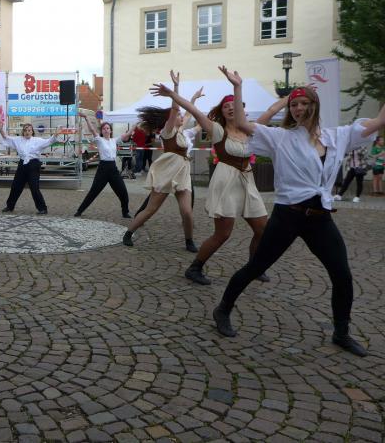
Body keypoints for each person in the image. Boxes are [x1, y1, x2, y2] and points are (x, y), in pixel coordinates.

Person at [212, 66, 385, 357]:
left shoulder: (337, 136)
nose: (299, 108)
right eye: (294, 104)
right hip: (288, 216)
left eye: (304, 103)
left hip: (320, 219)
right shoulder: (281, 137)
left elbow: (378, 121)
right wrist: (237, 87)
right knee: (256, 267)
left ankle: (341, 332)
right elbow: (241, 123)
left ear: (315, 105)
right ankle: (223, 309)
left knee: (342, 275)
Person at [148, 83, 288, 285]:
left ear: (241, 109)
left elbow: (272, 110)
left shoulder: (251, 129)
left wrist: (291, 96)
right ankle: (194, 268)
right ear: (222, 112)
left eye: (233, 105)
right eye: (226, 106)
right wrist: (172, 94)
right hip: (226, 182)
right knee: (223, 233)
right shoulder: (217, 130)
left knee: (262, 230)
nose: (230, 108)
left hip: (247, 182)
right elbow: (193, 110)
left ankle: (255, 267)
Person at [122, 71, 198, 253]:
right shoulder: (168, 131)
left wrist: (194, 98)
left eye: (181, 115)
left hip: (182, 175)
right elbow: (175, 109)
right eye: (178, 115)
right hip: (167, 173)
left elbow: (188, 113)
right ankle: (129, 233)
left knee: (187, 211)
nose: (181, 116)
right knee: (151, 209)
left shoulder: (181, 131)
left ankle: (189, 240)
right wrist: (176, 88)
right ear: (170, 119)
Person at [74, 113, 132, 219]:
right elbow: (92, 130)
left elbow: (127, 134)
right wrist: (86, 117)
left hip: (113, 169)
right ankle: (80, 210)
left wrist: (136, 123)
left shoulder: (114, 140)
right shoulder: (99, 140)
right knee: (93, 192)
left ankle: (125, 212)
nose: (106, 130)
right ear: (102, 131)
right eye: (104, 128)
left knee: (123, 191)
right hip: (103, 169)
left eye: (107, 128)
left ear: (110, 130)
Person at [0, 122, 62, 214]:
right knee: (16, 186)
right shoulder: (18, 140)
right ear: (23, 132)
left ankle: (42, 208)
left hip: (33, 164)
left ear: (32, 132)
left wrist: (56, 134)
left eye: (29, 130)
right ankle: (10, 206)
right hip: (22, 164)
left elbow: (49, 141)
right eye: (25, 130)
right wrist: (0, 129)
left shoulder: (37, 140)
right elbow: (6, 137)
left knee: (34, 187)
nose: (27, 132)